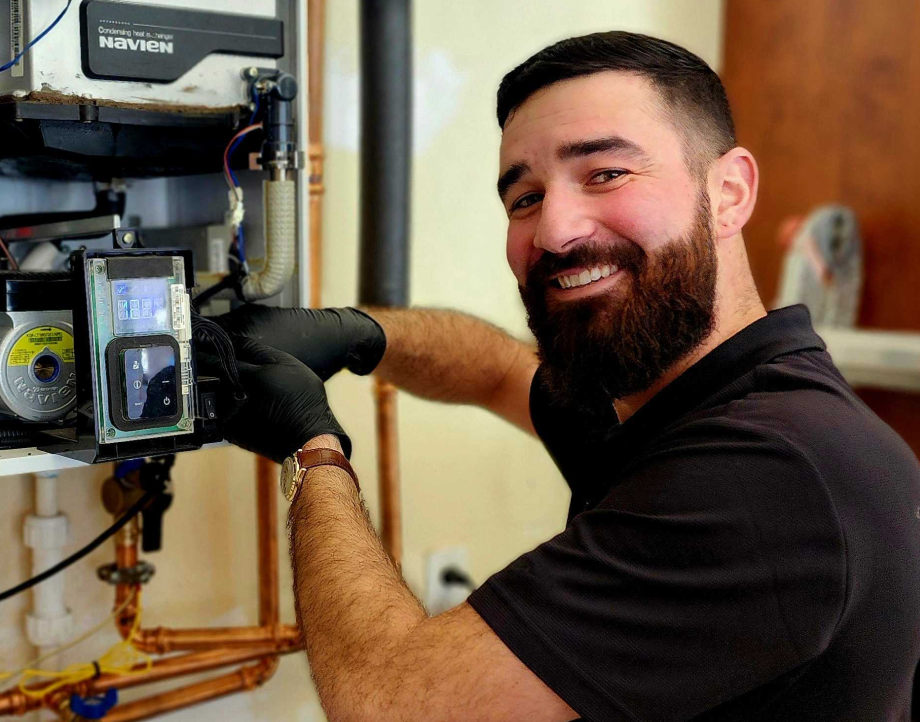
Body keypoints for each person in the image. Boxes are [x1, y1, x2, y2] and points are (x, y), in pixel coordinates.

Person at [214, 31, 920, 721]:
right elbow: (498, 370)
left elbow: (390, 703)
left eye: (605, 174)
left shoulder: (765, 474)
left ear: (730, 192)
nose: (554, 231)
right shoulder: (689, 398)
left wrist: (314, 453)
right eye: (524, 198)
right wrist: (362, 333)